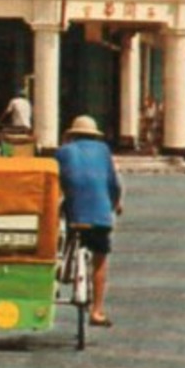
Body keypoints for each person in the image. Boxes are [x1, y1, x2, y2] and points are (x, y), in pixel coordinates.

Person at [54, 115, 123, 328]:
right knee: (100, 260)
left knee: (60, 231)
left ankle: (59, 269)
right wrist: (115, 204)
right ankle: (97, 311)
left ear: (72, 135)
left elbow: (55, 181)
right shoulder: (103, 152)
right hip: (100, 214)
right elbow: (113, 184)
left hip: (74, 211)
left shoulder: (63, 152)